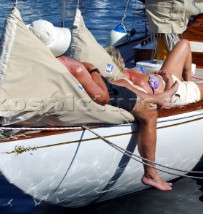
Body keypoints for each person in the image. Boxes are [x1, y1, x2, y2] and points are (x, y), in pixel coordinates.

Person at [29, 19, 179, 191]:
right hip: (103, 91)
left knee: (126, 87)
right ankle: (150, 174)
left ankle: (162, 97)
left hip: (82, 92)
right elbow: (102, 97)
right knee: (149, 113)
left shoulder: (36, 64)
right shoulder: (73, 66)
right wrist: (93, 71)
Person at [106, 39, 203, 105]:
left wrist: (165, 77)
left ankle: (190, 81)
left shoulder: (125, 71)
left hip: (166, 78)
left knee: (184, 44)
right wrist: (168, 83)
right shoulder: (124, 84)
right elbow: (162, 102)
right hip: (175, 92)